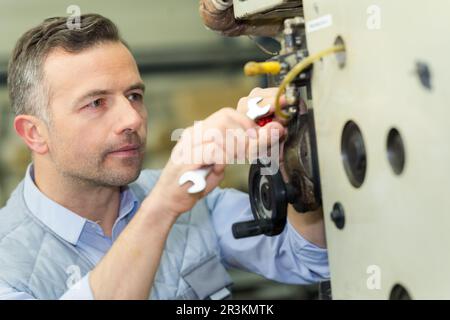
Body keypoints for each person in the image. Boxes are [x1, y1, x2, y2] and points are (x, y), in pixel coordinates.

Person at [0, 14, 328, 300]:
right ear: (34, 133)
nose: (132, 119)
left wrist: (289, 155)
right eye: (97, 103)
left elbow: (311, 260)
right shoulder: (7, 263)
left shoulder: (195, 202)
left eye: (134, 95)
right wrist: (162, 208)